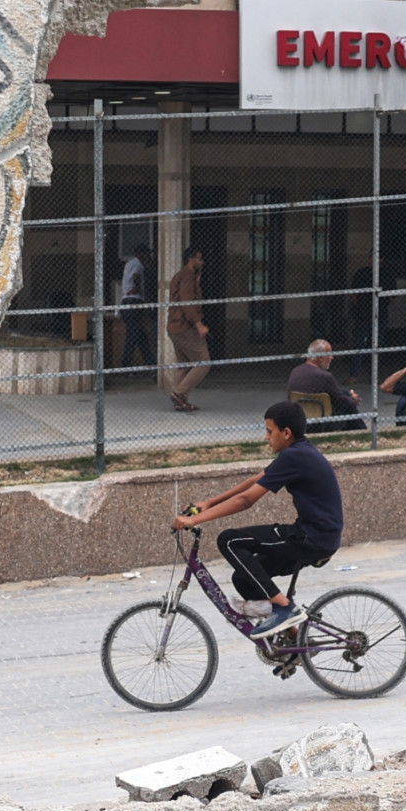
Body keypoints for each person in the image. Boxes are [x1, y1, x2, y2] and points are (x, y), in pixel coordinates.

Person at [172, 401, 342, 638]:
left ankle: (284, 607)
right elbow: (257, 478)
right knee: (243, 577)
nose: (266, 437)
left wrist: (196, 520)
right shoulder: (298, 452)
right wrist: (209, 503)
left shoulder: (296, 456)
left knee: (230, 541)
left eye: (269, 431)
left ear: (286, 433)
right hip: (318, 536)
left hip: (311, 537)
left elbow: (246, 500)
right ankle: (293, 642)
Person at [166, 246, 209, 411]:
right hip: (185, 327)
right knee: (204, 362)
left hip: (174, 326)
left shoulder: (184, 276)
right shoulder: (187, 278)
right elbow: (187, 303)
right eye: (199, 258)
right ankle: (179, 393)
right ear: (191, 259)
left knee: (184, 365)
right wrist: (198, 324)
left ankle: (180, 401)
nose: (202, 262)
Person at [286, 338, 361, 432]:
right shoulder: (325, 376)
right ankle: (362, 432)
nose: (332, 357)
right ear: (321, 358)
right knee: (348, 405)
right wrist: (354, 400)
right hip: (321, 422)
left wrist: (348, 396)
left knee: (344, 393)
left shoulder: (295, 371)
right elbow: (341, 401)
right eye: (329, 354)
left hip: (300, 419)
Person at [117, 243, 156, 371]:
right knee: (133, 336)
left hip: (127, 302)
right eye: (146, 254)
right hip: (134, 302)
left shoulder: (129, 263)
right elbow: (135, 277)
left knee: (141, 336)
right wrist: (138, 289)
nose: (148, 256)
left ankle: (150, 363)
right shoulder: (138, 264)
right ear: (140, 254)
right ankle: (125, 367)